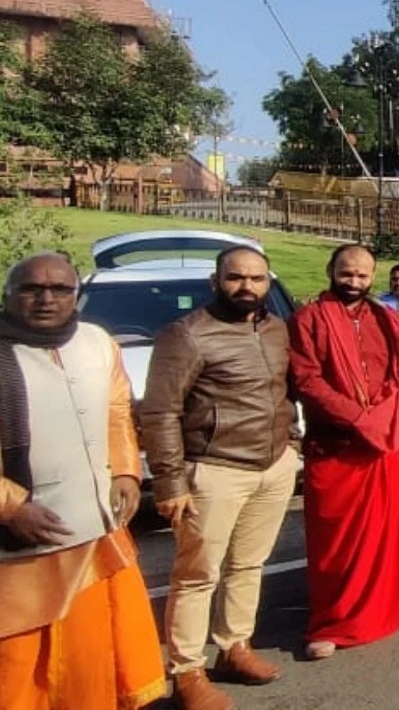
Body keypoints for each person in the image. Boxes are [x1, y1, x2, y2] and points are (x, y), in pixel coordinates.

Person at [0, 253, 165, 710]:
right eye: (32, 289)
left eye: (60, 289)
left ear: (76, 295)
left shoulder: (97, 343)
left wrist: (128, 470)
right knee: (15, 671)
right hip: (8, 543)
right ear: (8, 295)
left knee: (90, 662)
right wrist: (12, 508)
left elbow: (117, 413)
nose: (46, 298)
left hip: (92, 532)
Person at [140, 246, 298, 709]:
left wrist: (290, 442)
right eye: (235, 278)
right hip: (214, 469)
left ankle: (234, 647)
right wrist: (169, 482)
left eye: (257, 278)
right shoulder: (187, 335)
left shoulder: (274, 328)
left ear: (268, 282)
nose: (246, 287)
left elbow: (282, 390)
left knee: (249, 565)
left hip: (272, 465)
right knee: (197, 574)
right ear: (216, 281)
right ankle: (187, 670)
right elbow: (160, 411)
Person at [288, 244, 399, 660]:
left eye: (362, 275)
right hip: (335, 445)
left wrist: (382, 419)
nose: (354, 282)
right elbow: (306, 381)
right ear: (330, 270)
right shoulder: (308, 319)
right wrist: (358, 419)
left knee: (383, 536)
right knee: (334, 544)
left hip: (381, 445)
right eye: (347, 274)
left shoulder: (384, 317)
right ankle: (334, 622)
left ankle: (385, 611)